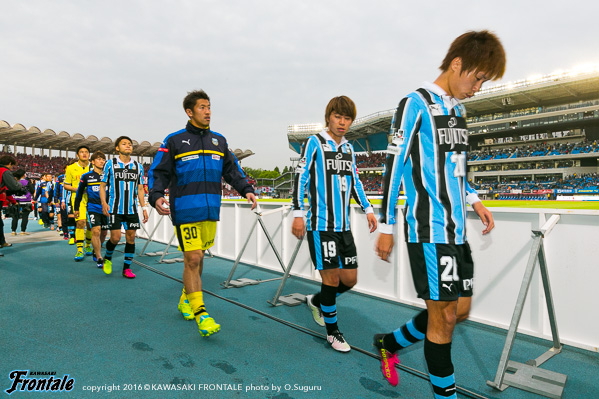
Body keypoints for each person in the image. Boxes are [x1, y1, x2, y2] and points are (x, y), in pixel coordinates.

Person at [373, 30, 505, 395]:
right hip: (428, 229)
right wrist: (386, 225)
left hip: (457, 230)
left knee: (458, 311)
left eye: (485, 81)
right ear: (457, 63)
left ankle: (389, 343)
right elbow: (393, 167)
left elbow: (458, 167)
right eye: (477, 77)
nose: (478, 87)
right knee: (444, 316)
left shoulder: (458, 110)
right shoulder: (413, 103)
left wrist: (474, 199)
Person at [148, 89, 257, 337]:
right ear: (189, 111)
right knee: (193, 258)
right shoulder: (174, 140)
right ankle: (201, 313)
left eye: (209, 107)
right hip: (185, 209)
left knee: (199, 259)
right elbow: (159, 172)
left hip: (210, 210)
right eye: (202, 107)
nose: (207, 112)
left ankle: (186, 298)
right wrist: (156, 195)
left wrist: (246, 189)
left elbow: (232, 170)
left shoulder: (219, 140)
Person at [291, 96, 377, 352]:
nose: (342, 122)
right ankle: (333, 333)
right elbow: (301, 177)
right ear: (329, 116)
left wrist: (369, 209)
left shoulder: (349, 149)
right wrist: (298, 212)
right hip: (320, 225)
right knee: (330, 280)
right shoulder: (315, 143)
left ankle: (317, 301)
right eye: (338, 116)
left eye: (347, 118)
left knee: (349, 280)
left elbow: (355, 182)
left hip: (344, 227)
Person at [100, 136, 149, 278]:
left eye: (130, 144)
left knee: (131, 238)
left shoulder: (138, 166)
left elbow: (140, 189)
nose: (128, 146)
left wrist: (144, 208)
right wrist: (104, 203)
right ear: (117, 148)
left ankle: (126, 268)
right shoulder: (110, 164)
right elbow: (102, 186)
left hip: (131, 208)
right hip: (115, 207)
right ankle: (107, 258)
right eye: (124, 144)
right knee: (115, 238)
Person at [74, 151, 109, 268]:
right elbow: (79, 193)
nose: (101, 161)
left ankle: (96, 249)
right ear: (93, 162)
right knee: (96, 231)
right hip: (93, 207)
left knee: (104, 232)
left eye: (103, 159)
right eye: (99, 159)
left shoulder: (108, 175)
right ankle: (99, 257)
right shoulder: (87, 176)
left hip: (106, 208)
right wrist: (76, 208)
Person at [64, 145, 92, 256]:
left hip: (92, 199)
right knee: (80, 222)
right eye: (81, 152)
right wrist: (78, 189)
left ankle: (88, 245)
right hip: (78, 199)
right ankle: (79, 249)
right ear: (77, 155)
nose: (84, 154)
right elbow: (66, 185)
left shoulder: (94, 167)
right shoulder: (71, 168)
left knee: (91, 224)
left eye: (86, 152)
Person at [0, 155, 27, 255]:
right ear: (10, 163)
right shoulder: (4, 171)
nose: (11, 168)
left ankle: (2, 242)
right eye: (12, 166)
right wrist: (20, 186)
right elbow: (13, 186)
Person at [10, 169, 34, 235]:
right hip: (26, 201)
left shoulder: (14, 181)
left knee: (15, 216)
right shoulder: (27, 182)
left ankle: (13, 231)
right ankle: (23, 231)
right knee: (25, 216)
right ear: (24, 175)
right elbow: (32, 191)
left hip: (15, 200)